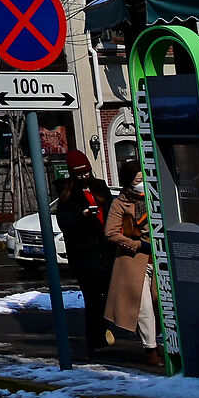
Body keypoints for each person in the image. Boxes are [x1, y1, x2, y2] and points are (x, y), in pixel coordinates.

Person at [53, 150, 117, 351]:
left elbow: (112, 212)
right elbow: (65, 223)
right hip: (84, 255)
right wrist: (82, 215)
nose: (84, 177)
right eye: (79, 174)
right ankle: (95, 338)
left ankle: (104, 329)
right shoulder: (68, 195)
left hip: (105, 250)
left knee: (108, 295)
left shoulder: (100, 188)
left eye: (86, 173)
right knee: (92, 297)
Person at [106, 163, 155, 348]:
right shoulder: (120, 203)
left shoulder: (154, 197)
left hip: (158, 258)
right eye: (137, 180)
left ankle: (170, 345)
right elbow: (111, 233)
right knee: (144, 308)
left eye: (143, 179)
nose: (142, 183)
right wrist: (137, 244)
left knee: (162, 303)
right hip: (135, 260)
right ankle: (150, 348)